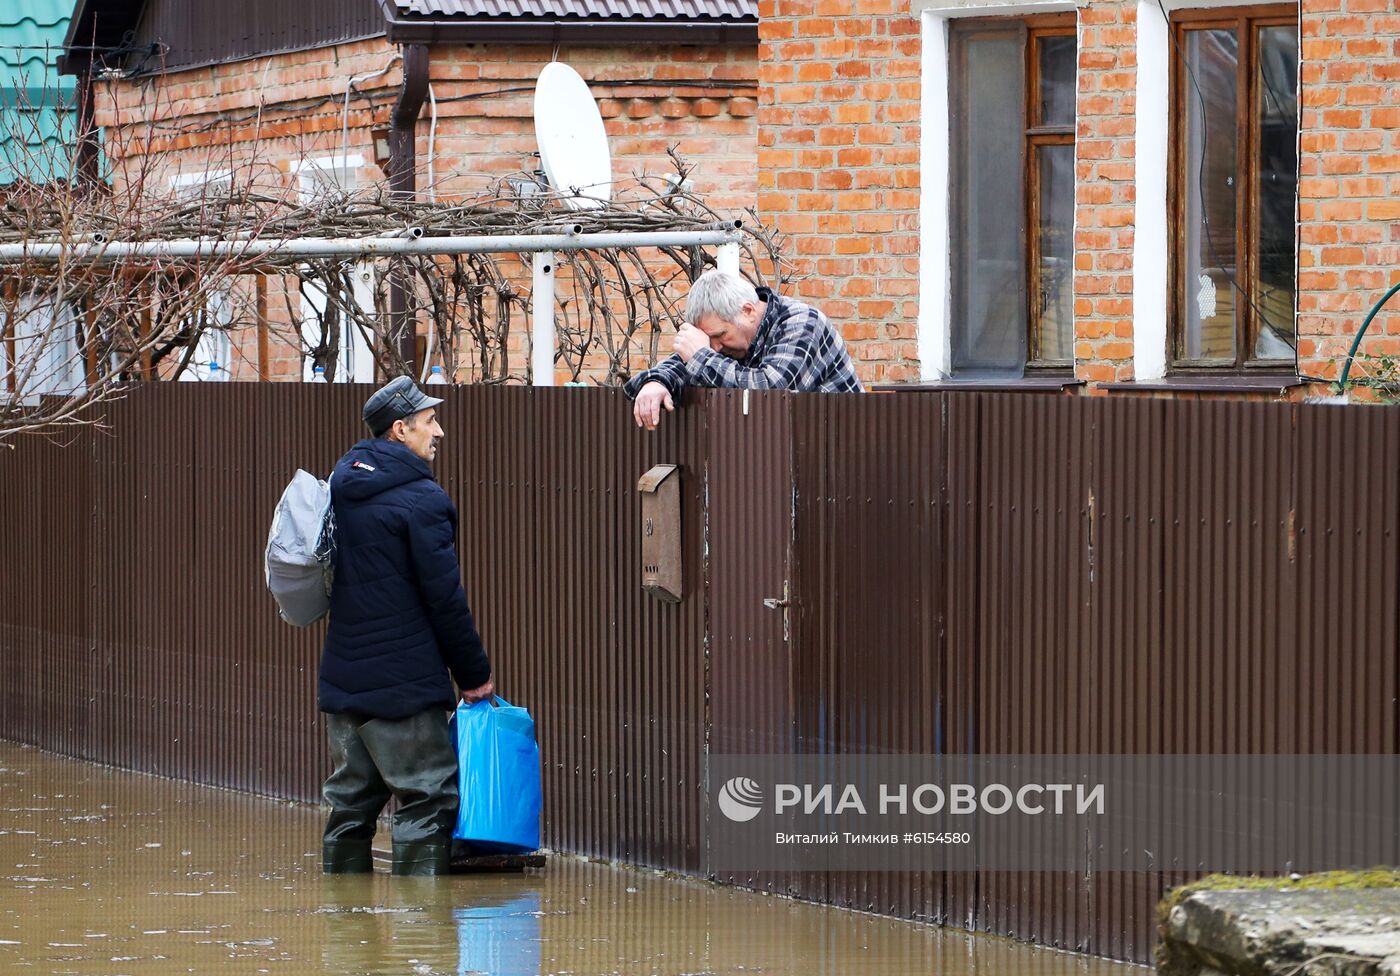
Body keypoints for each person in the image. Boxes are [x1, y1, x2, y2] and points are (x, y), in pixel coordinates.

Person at [318, 375, 494, 877]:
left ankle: (346, 939)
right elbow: (445, 599)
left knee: (350, 806)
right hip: (404, 686)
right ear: (400, 430)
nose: (438, 432)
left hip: (344, 682)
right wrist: (474, 674)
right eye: (429, 422)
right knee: (426, 801)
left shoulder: (340, 486)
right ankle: (423, 946)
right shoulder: (423, 502)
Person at [624, 270, 863, 430]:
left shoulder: (803, 323)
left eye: (719, 336)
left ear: (748, 311)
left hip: (842, 457)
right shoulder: (730, 342)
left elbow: (771, 392)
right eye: (707, 341)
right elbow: (690, 362)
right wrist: (656, 381)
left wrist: (700, 356)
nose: (715, 348)